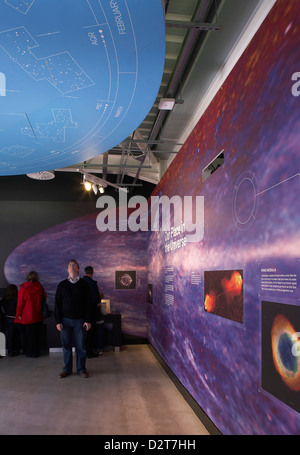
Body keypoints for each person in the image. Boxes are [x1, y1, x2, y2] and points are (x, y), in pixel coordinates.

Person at [54, 259, 93, 378]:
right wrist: (58, 321)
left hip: (80, 321)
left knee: (81, 347)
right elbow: (57, 304)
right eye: (69, 265)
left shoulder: (84, 285)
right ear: (67, 269)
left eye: (74, 265)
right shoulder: (62, 285)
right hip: (65, 321)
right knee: (66, 347)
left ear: (78, 269)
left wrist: (88, 320)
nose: (71, 266)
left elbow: (89, 304)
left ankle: (81, 369)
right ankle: (67, 369)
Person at [15, 272, 47, 358]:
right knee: (37, 334)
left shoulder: (23, 288)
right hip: (38, 314)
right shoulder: (39, 287)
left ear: (27, 277)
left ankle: (30, 352)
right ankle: (36, 352)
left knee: (29, 335)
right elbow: (44, 297)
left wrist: (18, 314)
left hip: (27, 315)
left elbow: (20, 303)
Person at [82, 266, 105, 357]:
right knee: (91, 333)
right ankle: (90, 352)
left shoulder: (80, 282)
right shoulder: (92, 283)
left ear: (84, 272)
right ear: (92, 273)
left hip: (81, 312)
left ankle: (84, 351)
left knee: (83, 333)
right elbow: (97, 299)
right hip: (91, 312)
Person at [1, 284, 24, 356]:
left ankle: (10, 351)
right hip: (17, 318)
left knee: (10, 336)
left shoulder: (4, 299)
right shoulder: (17, 298)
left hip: (8, 318)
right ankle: (21, 349)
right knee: (20, 334)